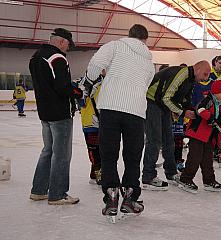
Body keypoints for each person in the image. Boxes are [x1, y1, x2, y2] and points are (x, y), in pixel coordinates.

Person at [85, 24, 154, 218]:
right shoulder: (149, 60)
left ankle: (111, 194)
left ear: (129, 35)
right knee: (132, 156)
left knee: (109, 154)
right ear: (145, 40)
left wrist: (90, 81)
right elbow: (146, 83)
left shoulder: (114, 46)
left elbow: (96, 65)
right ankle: (131, 197)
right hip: (136, 111)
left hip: (110, 107)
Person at [29, 28, 82, 205]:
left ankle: (39, 190)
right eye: (68, 44)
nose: (68, 48)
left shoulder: (36, 56)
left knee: (48, 151)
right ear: (61, 41)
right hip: (60, 113)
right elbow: (63, 87)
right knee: (61, 154)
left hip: (45, 112)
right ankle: (58, 194)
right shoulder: (57, 58)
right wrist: (78, 92)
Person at [142, 60, 211, 191]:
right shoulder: (182, 74)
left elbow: (185, 99)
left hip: (162, 106)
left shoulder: (191, 80)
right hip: (152, 103)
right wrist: (183, 112)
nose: (205, 78)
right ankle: (148, 176)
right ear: (197, 69)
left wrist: (191, 110)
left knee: (169, 140)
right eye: (205, 74)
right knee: (154, 140)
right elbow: (166, 98)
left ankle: (171, 173)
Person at [177, 80, 221, 193]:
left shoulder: (220, 107)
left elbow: (219, 124)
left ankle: (209, 181)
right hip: (198, 135)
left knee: (208, 160)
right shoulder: (208, 100)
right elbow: (200, 109)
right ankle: (185, 179)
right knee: (194, 158)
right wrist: (209, 117)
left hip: (208, 137)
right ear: (215, 93)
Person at [76, 70, 106, 185]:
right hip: (91, 121)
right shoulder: (88, 82)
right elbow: (81, 101)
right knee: (94, 149)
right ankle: (98, 173)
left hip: (100, 121)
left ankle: (94, 173)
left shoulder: (104, 81)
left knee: (101, 148)